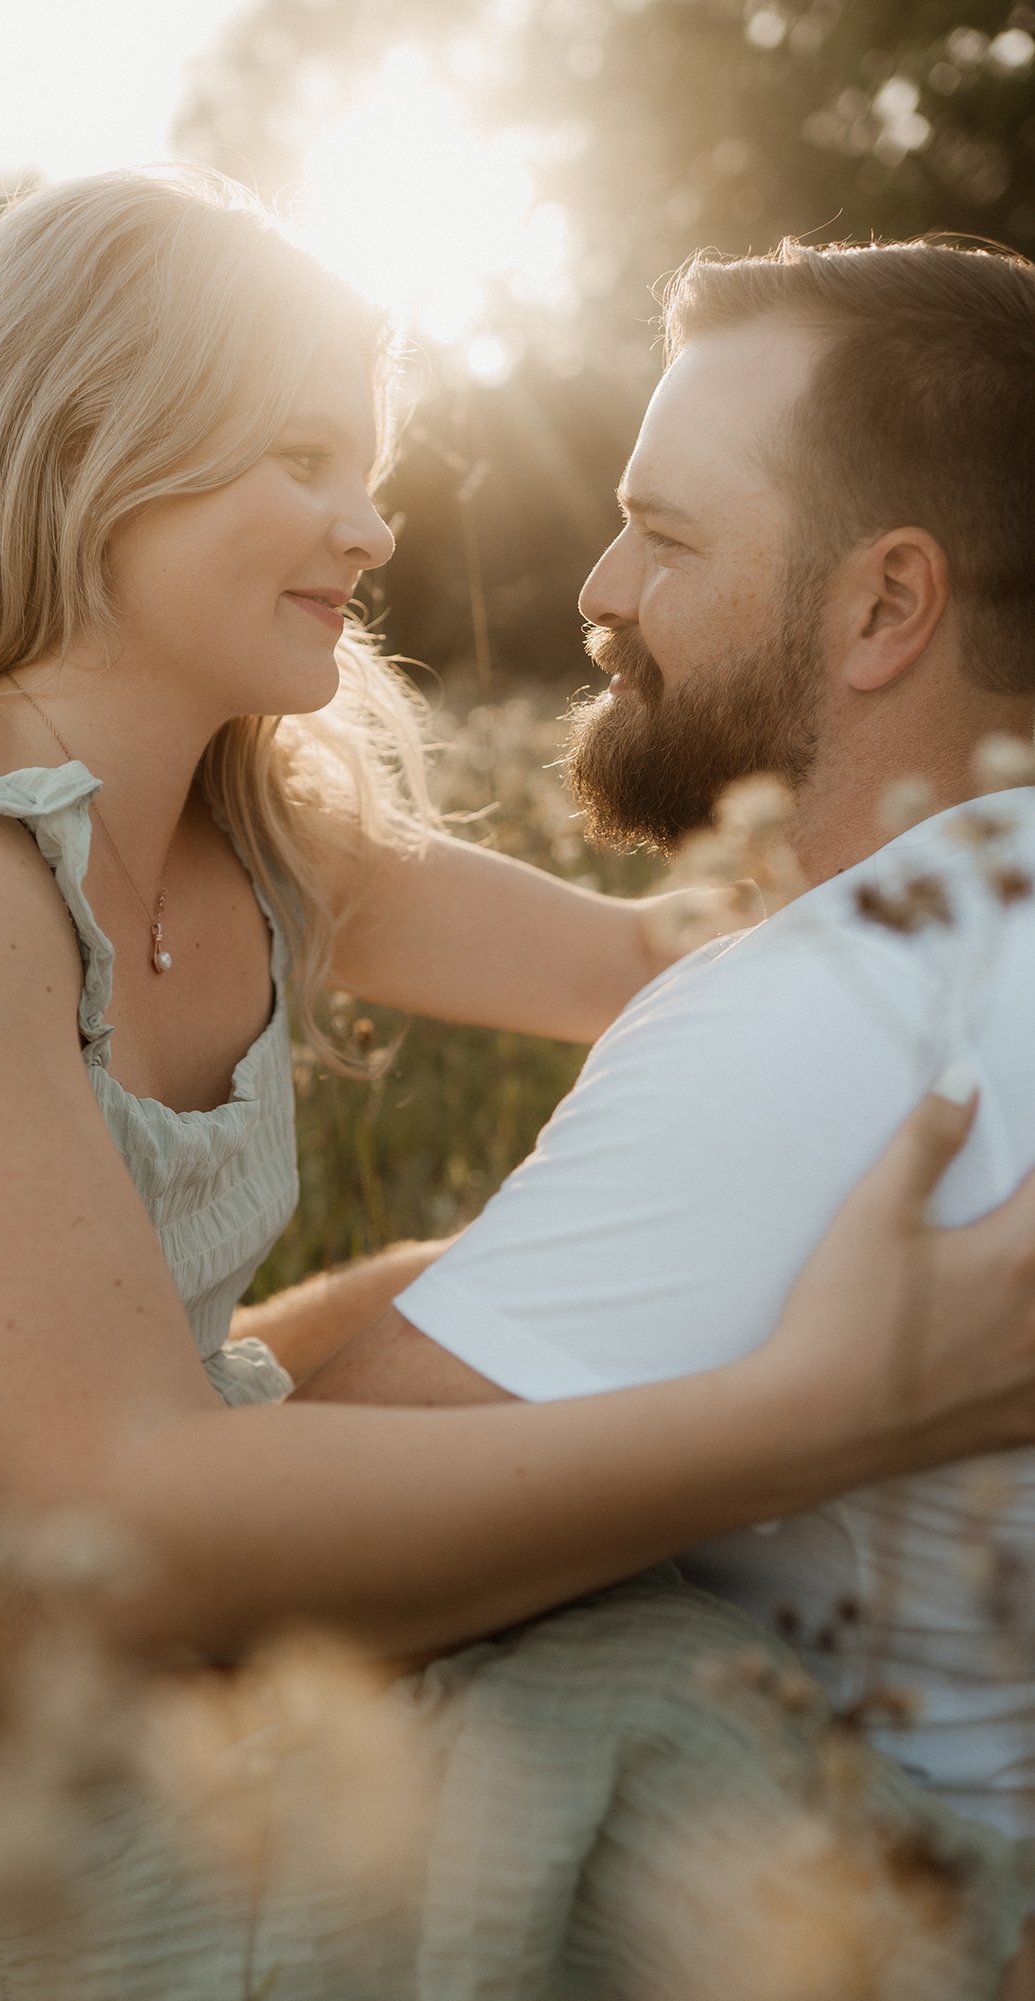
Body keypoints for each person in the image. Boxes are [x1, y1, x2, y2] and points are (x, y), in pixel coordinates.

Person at [0, 176, 1035, 2001]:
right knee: (646, 1728)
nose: (373, 526)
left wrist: (957, 868)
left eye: (371, 463)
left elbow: (678, 957)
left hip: (154, 1672)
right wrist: (806, 1412)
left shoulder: (270, 839)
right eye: (303, 456)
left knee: (654, 1677)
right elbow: (124, 1504)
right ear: (95, 453)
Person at [304, 238, 1035, 1843]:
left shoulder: (840, 1001)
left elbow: (250, 1582)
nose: (600, 593)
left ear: (885, 603)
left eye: (664, 533)